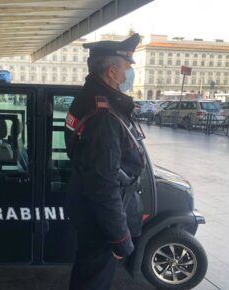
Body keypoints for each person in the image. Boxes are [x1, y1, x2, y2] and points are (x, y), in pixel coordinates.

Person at [64, 33, 145, 290]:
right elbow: (103, 184)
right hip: (101, 219)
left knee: (88, 272)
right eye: (127, 68)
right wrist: (120, 239)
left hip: (89, 210)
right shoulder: (104, 115)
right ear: (112, 71)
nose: (128, 74)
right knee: (94, 279)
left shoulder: (91, 99)